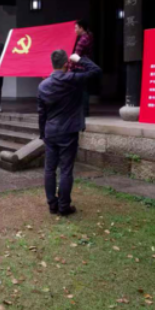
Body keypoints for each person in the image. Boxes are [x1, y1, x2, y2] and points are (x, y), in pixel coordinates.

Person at [38, 51, 101, 217]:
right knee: (65, 170)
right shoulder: (72, 79)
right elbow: (96, 71)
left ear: (52, 63)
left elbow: (41, 113)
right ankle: (64, 206)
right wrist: (80, 59)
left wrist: (42, 133)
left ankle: (52, 205)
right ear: (66, 63)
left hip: (50, 131)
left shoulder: (43, 85)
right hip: (68, 130)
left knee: (49, 169)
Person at [73, 20, 94, 117]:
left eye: (76, 28)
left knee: (80, 91)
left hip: (80, 68)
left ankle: (82, 111)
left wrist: (69, 67)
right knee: (85, 90)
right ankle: (85, 111)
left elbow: (76, 57)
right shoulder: (89, 37)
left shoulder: (82, 40)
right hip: (87, 67)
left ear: (81, 28)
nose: (75, 30)